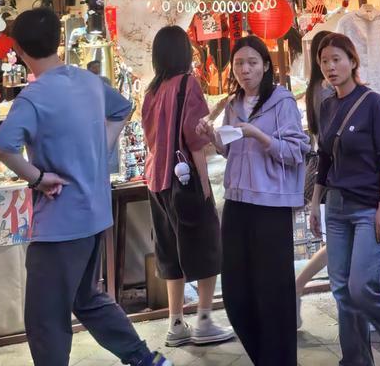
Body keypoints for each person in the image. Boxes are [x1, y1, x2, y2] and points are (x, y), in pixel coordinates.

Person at [0, 9, 170, 366]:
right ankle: (145, 360)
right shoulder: (89, 81)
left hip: (59, 222)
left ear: (18, 50)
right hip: (94, 215)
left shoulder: (32, 97)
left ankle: (143, 359)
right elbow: (122, 109)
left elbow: (3, 147)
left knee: (45, 318)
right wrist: (100, 146)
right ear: (59, 40)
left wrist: (38, 178)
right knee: (87, 299)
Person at [197, 36, 309, 365]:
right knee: (235, 291)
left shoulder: (282, 101)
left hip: (271, 205)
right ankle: (264, 357)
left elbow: (295, 151)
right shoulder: (232, 104)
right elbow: (232, 150)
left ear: (265, 66)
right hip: (237, 202)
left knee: (273, 292)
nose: (245, 70)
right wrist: (213, 137)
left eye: (252, 63)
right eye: (239, 64)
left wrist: (257, 134)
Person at [308, 33, 380, 366]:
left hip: (369, 206)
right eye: (324, 61)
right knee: (342, 291)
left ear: (353, 61)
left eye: (336, 59)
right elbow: (324, 157)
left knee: (363, 286)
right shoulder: (327, 105)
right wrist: (315, 202)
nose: (330, 67)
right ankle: (355, 360)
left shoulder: (373, 102)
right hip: (336, 207)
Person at [138, 26, 232, 348]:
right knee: (207, 244)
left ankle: (176, 323)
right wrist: (204, 184)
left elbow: (150, 138)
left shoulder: (151, 91)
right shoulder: (187, 84)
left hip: (156, 181)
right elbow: (195, 138)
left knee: (170, 252)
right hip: (184, 179)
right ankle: (204, 320)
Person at [295, 31, 333, 325]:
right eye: (328, 57)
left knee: (337, 242)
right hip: (331, 171)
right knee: (338, 241)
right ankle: (297, 285)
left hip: (325, 169)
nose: (333, 63)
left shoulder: (316, 88)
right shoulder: (326, 90)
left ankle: (297, 286)